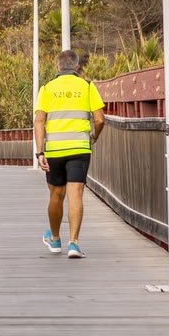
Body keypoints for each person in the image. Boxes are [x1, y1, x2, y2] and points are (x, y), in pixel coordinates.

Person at [34, 49, 104, 259]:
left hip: (55, 149)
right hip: (80, 148)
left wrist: (40, 152)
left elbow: (39, 121)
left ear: (57, 66)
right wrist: (94, 136)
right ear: (77, 67)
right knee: (76, 194)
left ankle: (55, 239)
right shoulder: (87, 86)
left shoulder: (47, 88)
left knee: (56, 194)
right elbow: (99, 119)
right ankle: (74, 243)